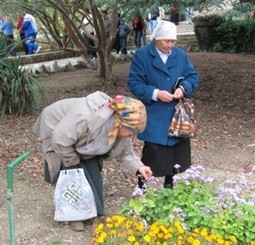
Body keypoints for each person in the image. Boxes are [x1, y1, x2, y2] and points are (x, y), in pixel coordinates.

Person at [32, 91, 152, 231]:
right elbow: (60, 140)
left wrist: (139, 167)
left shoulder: (118, 124)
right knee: (72, 174)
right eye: (132, 131)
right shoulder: (86, 117)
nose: (134, 135)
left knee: (92, 171)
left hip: (80, 139)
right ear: (120, 124)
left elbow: (125, 151)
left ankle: (96, 213)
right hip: (57, 127)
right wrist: (73, 159)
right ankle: (74, 216)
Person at [127, 21, 199, 190]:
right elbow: (134, 82)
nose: (170, 44)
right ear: (156, 39)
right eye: (166, 41)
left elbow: (193, 76)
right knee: (153, 151)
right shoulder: (143, 55)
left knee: (176, 153)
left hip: (177, 116)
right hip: (154, 113)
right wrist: (155, 93)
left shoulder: (180, 55)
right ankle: (142, 187)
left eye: (173, 41)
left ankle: (169, 183)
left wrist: (183, 88)